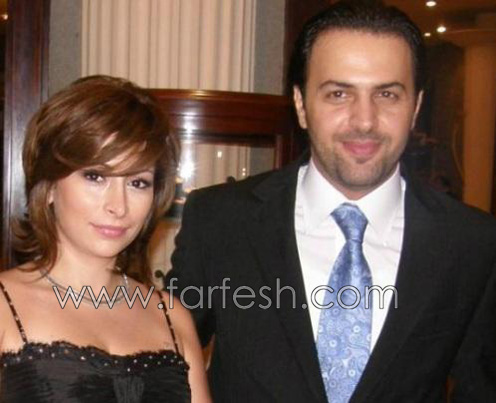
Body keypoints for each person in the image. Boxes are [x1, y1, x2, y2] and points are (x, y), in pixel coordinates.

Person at [166, 1, 496, 402]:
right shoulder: (220, 221)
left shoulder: (472, 243)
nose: (364, 120)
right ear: (301, 105)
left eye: (387, 94)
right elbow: (166, 366)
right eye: (339, 94)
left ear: (416, 108)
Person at [0, 76, 211, 402]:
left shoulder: (172, 315)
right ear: (49, 185)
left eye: (137, 183)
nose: (118, 206)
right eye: (95, 176)